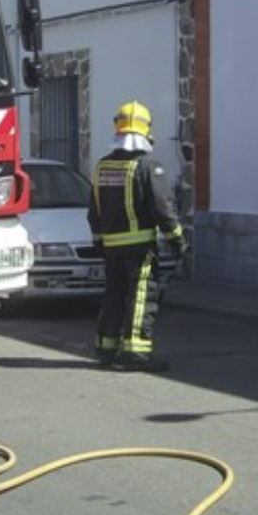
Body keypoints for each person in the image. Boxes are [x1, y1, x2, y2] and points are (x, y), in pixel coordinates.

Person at [87, 100, 187, 373]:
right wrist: (178, 240)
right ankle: (136, 354)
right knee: (142, 298)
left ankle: (107, 349)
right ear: (146, 130)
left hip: (111, 249)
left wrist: (99, 240)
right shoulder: (146, 166)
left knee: (114, 296)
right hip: (140, 249)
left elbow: (94, 210)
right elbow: (163, 208)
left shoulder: (102, 166)